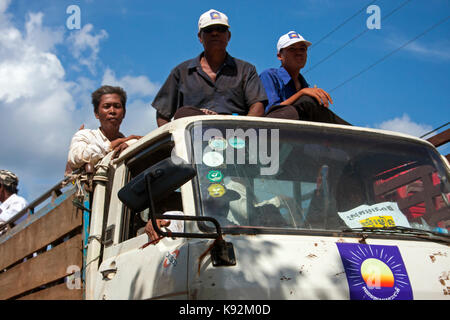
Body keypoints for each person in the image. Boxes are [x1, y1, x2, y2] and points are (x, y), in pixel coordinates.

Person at [151, 9, 268, 127]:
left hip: (235, 135)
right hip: (194, 137)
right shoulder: (181, 72)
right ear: (200, 37)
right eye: (208, 30)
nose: (215, 33)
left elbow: (257, 106)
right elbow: (162, 114)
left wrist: (241, 131)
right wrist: (174, 141)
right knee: (185, 114)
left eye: (221, 29)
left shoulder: (246, 70)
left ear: (229, 36)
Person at [259, 31, 350, 125]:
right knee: (307, 101)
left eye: (302, 49)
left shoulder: (304, 85)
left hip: (298, 133)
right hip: (273, 131)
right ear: (279, 56)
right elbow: (269, 114)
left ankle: (354, 135)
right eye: (292, 49)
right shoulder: (269, 76)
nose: (298, 53)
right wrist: (301, 94)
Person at [66, 85, 142, 174]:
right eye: (107, 106)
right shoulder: (85, 136)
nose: (112, 111)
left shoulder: (128, 143)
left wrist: (131, 143)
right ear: (96, 113)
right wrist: (111, 145)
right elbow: (75, 158)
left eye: (117, 106)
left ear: (124, 113)